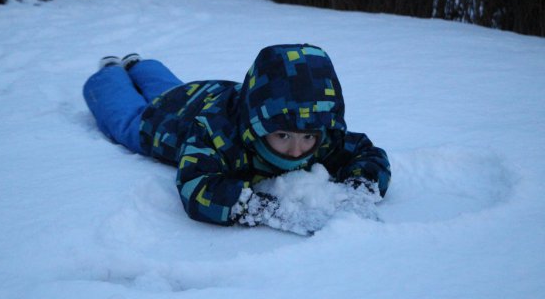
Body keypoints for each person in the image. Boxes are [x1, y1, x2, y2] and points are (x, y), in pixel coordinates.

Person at [83, 44, 390, 231]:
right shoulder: (218, 136)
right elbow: (197, 186)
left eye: (308, 136)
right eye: (283, 135)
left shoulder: (319, 133)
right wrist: (261, 208)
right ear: (259, 124)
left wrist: (360, 188)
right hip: (171, 120)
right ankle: (111, 72)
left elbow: (366, 153)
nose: (298, 149)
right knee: (129, 119)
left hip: (207, 92)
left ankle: (139, 65)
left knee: (171, 89)